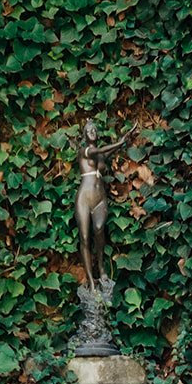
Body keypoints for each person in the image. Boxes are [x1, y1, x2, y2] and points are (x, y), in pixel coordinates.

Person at [74, 119, 137, 290]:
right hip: (84, 197)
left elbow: (107, 152)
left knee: (100, 229)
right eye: (89, 130)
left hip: (100, 196)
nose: (92, 131)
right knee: (85, 237)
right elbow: (100, 150)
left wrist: (124, 138)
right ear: (84, 135)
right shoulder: (85, 151)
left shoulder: (100, 155)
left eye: (94, 129)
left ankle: (101, 267)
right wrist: (120, 142)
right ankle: (91, 279)